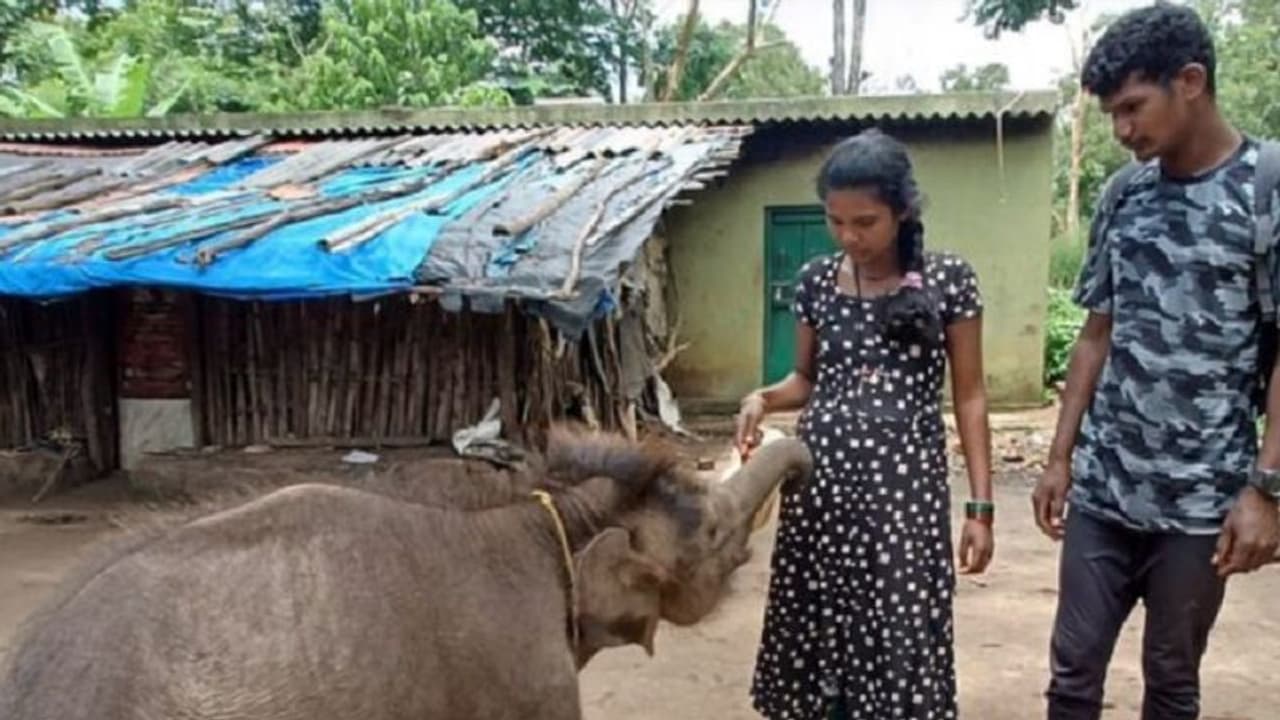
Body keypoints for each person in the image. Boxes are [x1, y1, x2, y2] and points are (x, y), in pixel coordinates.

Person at [1033, 4, 1280, 720]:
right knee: (1071, 678)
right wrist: (1059, 457)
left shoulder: (1266, 190)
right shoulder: (1124, 196)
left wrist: (1265, 490)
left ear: (1191, 82)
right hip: (1107, 490)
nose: (1122, 130)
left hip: (1202, 504)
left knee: (1172, 684)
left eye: (1134, 107)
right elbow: (1094, 334)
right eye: (1112, 113)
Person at [736, 127, 994, 720]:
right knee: (821, 629)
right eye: (836, 221)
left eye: (866, 222)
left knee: (899, 632)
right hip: (821, 495)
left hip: (904, 501)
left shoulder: (949, 281)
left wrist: (981, 508)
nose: (849, 237)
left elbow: (972, 398)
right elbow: (804, 379)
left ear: (902, 211)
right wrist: (761, 398)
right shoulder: (816, 284)